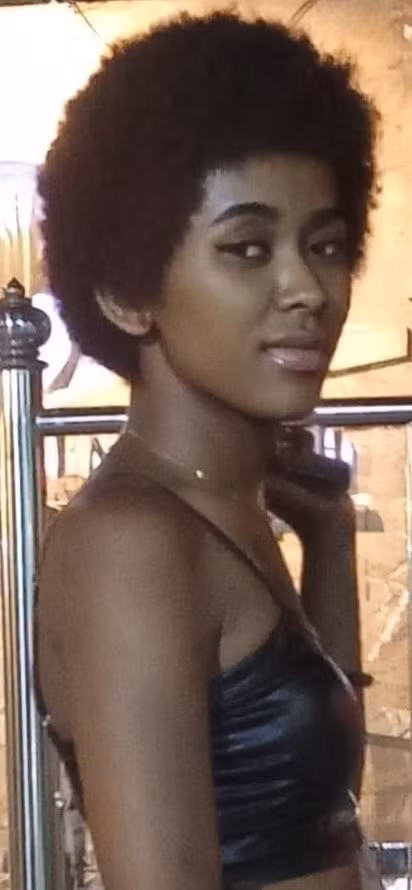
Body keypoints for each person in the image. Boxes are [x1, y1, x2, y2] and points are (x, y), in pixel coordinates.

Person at [35, 11, 380, 890]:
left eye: (326, 245)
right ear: (125, 293)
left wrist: (330, 545)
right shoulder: (131, 543)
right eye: (248, 249)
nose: (308, 289)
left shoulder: (217, 507)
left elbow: (316, 810)